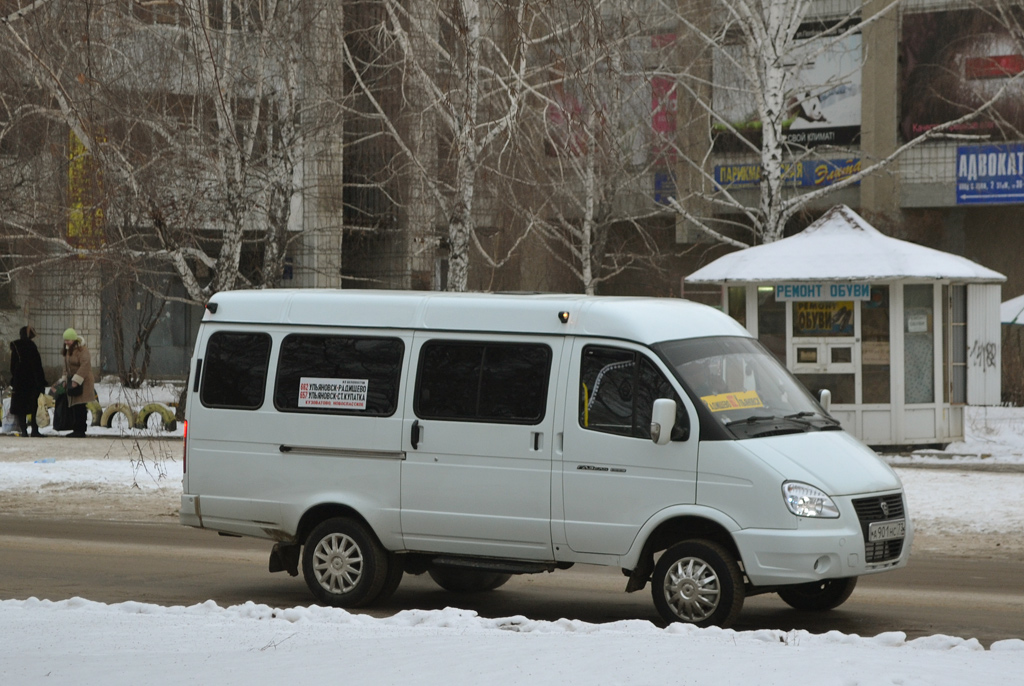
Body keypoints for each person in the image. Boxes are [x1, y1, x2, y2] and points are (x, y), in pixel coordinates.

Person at [51, 328, 95, 438]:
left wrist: (76, 380)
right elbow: (65, 367)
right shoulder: (68, 350)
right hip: (73, 381)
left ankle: (80, 430)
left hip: (84, 382)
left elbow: (85, 365)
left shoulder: (82, 350)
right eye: (65, 340)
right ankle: (77, 429)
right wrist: (65, 379)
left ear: (74, 340)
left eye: (68, 340)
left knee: (80, 405)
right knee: (74, 405)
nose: (66, 342)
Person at [8, 326, 48, 437]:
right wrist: (41, 381)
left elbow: (12, 366)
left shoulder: (16, 347)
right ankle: (34, 430)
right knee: (33, 406)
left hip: (19, 381)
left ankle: (24, 431)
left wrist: (15, 377)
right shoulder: (32, 347)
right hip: (32, 382)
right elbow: (37, 366)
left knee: (20, 407)